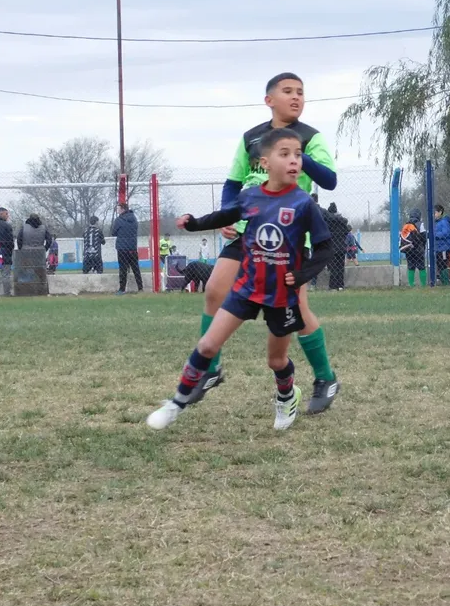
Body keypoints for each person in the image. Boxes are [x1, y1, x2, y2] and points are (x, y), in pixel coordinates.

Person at [146, 127, 333, 432]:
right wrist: (193, 225)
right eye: (284, 154)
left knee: (276, 362)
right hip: (246, 290)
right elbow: (224, 216)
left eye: (297, 155)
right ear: (264, 163)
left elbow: (325, 248)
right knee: (207, 346)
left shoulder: (304, 204)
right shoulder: (251, 197)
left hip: (281, 297)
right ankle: (176, 403)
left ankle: (287, 395)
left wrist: (300, 276)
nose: (294, 161)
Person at [190, 72, 340, 414]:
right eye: (288, 91)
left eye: (301, 92)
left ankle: (325, 377)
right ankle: (210, 371)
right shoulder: (251, 139)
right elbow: (233, 183)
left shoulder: (309, 138)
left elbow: (329, 180)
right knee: (215, 290)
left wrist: (297, 153)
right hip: (249, 230)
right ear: (269, 99)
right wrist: (229, 216)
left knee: (298, 310)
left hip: (287, 239)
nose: (296, 97)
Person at [112, 202, 143, 294]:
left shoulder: (119, 220)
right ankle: (140, 288)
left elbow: (113, 232)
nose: (117, 211)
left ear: (122, 209)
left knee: (123, 268)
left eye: (118, 209)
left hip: (122, 248)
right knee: (135, 268)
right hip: (132, 247)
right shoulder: (134, 219)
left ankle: (122, 289)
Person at [323, 203, 350, 291]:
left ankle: (333, 286)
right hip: (341, 247)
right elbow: (347, 231)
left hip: (332, 247)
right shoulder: (342, 222)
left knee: (333, 267)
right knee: (340, 267)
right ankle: (340, 285)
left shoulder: (328, 223)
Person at [400, 208, 427, 286]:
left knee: (411, 267)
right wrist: (423, 246)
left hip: (409, 250)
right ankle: (423, 284)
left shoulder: (406, 225)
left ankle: (411, 284)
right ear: (419, 216)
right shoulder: (420, 224)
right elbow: (424, 237)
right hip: (419, 249)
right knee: (421, 267)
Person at [433, 204, 450, 285]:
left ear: (440, 212)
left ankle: (446, 283)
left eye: (435, 212)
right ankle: (443, 282)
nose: (434, 215)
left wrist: (435, 235)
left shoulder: (444, 222)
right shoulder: (437, 223)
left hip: (443, 248)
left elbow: (446, 233)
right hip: (438, 248)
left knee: (443, 265)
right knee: (440, 265)